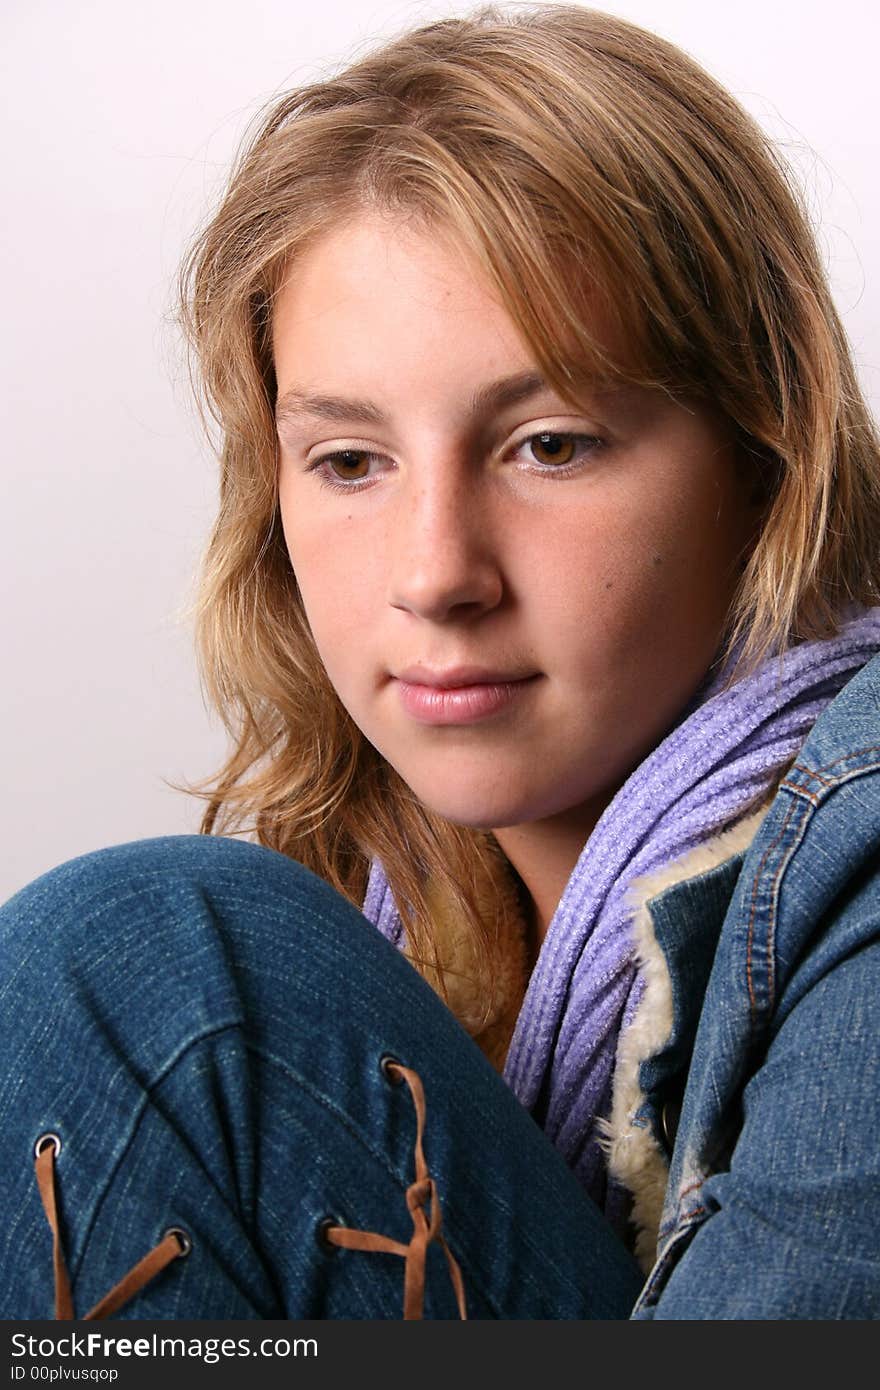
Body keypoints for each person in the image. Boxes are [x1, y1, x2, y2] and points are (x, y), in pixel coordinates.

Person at [2, 2, 879, 1320]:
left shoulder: (861, 839)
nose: (434, 574)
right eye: (351, 461)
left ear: (768, 458)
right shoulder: (364, 918)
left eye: (551, 443)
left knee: (142, 955)